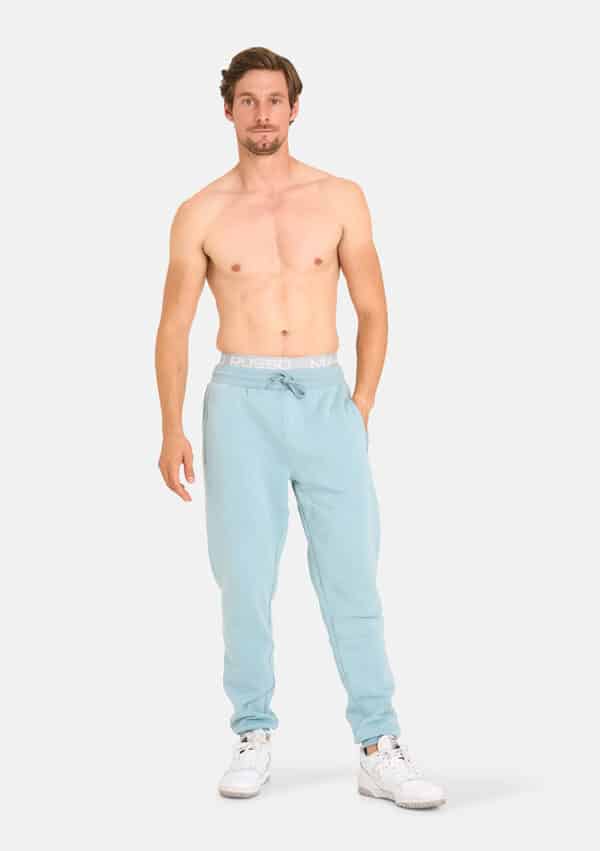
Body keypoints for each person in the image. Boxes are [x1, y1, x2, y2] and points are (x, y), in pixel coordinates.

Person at [155, 46, 447, 810]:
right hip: (239, 398)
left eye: (275, 100)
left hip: (325, 395)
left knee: (352, 575)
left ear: (294, 108)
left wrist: (360, 403)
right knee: (244, 578)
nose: (263, 114)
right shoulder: (201, 211)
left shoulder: (340, 197)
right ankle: (252, 730)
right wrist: (171, 427)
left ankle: (378, 744)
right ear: (228, 110)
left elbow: (374, 308)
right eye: (248, 100)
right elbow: (174, 325)